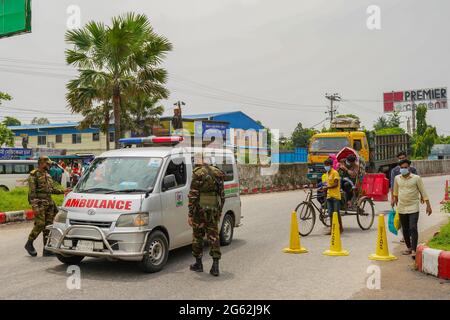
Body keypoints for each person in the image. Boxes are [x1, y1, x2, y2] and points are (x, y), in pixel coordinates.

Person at [24, 156, 71, 257]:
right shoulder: (34, 175)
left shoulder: (48, 175)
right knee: (40, 224)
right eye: (47, 163)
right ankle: (29, 243)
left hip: (49, 204)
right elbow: (32, 193)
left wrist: (64, 191)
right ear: (41, 163)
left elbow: (51, 190)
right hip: (40, 204)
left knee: (48, 226)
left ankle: (46, 249)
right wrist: (35, 207)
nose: (49, 165)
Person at [188, 153, 225, 277]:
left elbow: (193, 195)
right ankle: (215, 267)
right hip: (213, 208)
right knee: (214, 236)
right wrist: (219, 211)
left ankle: (198, 264)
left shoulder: (197, 173)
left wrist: (190, 214)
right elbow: (222, 195)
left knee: (197, 236)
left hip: (200, 210)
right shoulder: (217, 172)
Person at [391, 159, 432, 257]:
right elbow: (395, 192)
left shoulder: (416, 178)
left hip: (413, 207)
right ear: (399, 168)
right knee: (405, 229)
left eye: (405, 167)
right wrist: (394, 200)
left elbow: (423, 191)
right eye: (402, 168)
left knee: (413, 227)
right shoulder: (397, 178)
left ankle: (414, 249)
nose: (403, 169)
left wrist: (428, 205)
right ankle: (408, 247)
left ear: (409, 168)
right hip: (402, 207)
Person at [390, 151, 418, 243]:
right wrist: (393, 198)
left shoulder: (413, 170)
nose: (402, 160)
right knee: (402, 219)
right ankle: (405, 236)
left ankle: (411, 235)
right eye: (400, 158)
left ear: (407, 158)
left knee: (412, 220)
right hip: (400, 199)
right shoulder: (394, 171)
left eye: (403, 158)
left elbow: (418, 183)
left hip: (412, 199)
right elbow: (393, 185)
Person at [322, 158, 343, 234]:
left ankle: (340, 228)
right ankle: (332, 229)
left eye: (327, 165)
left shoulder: (335, 173)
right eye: (325, 165)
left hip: (335, 196)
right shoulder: (327, 173)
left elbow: (336, 184)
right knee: (330, 213)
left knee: (336, 213)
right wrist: (324, 188)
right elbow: (327, 183)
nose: (325, 167)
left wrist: (327, 187)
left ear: (330, 165)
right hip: (329, 196)